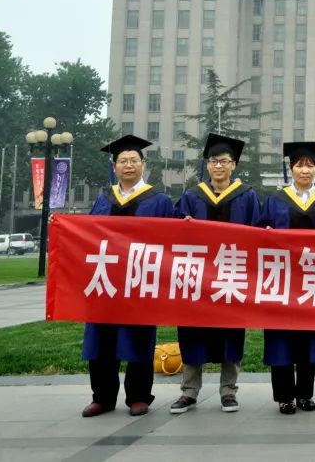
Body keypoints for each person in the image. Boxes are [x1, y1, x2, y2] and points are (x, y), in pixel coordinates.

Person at [81, 135, 175, 418]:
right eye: (123, 161)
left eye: (134, 160)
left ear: (143, 164)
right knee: (102, 339)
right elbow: (86, 235)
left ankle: (138, 396)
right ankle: (103, 397)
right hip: (106, 281)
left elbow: (172, 241)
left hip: (140, 281)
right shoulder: (103, 199)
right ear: (114, 166)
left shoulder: (159, 200)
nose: (129, 165)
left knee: (138, 338)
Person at [169, 134, 260, 415]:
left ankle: (228, 392)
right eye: (213, 161)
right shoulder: (191, 196)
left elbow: (257, 233)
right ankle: (189, 392)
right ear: (207, 166)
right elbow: (171, 234)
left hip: (232, 277)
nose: (218, 166)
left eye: (224, 161)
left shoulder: (247, 195)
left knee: (231, 333)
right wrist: (182, 225)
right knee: (192, 332)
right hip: (197, 278)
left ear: (233, 165)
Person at [256, 141, 315, 415]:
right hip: (282, 279)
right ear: (291, 168)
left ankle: (305, 394)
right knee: (282, 337)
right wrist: (267, 232)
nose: (304, 170)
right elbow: (258, 231)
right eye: (299, 165)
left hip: (314, 278)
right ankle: (285, 396)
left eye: (309, 165)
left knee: (311, 336)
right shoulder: (275, 200)